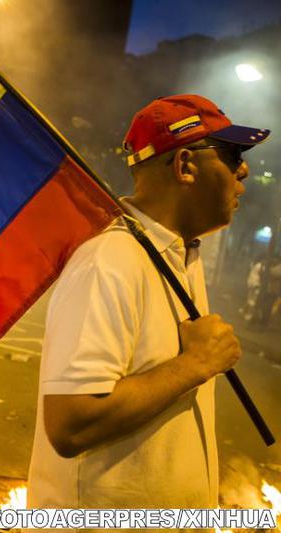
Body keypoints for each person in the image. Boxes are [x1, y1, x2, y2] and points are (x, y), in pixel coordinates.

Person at [27, 95, 270, 518]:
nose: (244, 171)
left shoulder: (180, 254)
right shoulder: (111, 259)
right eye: (232, 155)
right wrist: (195, 364)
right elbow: (70, 423)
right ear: (186, 166)